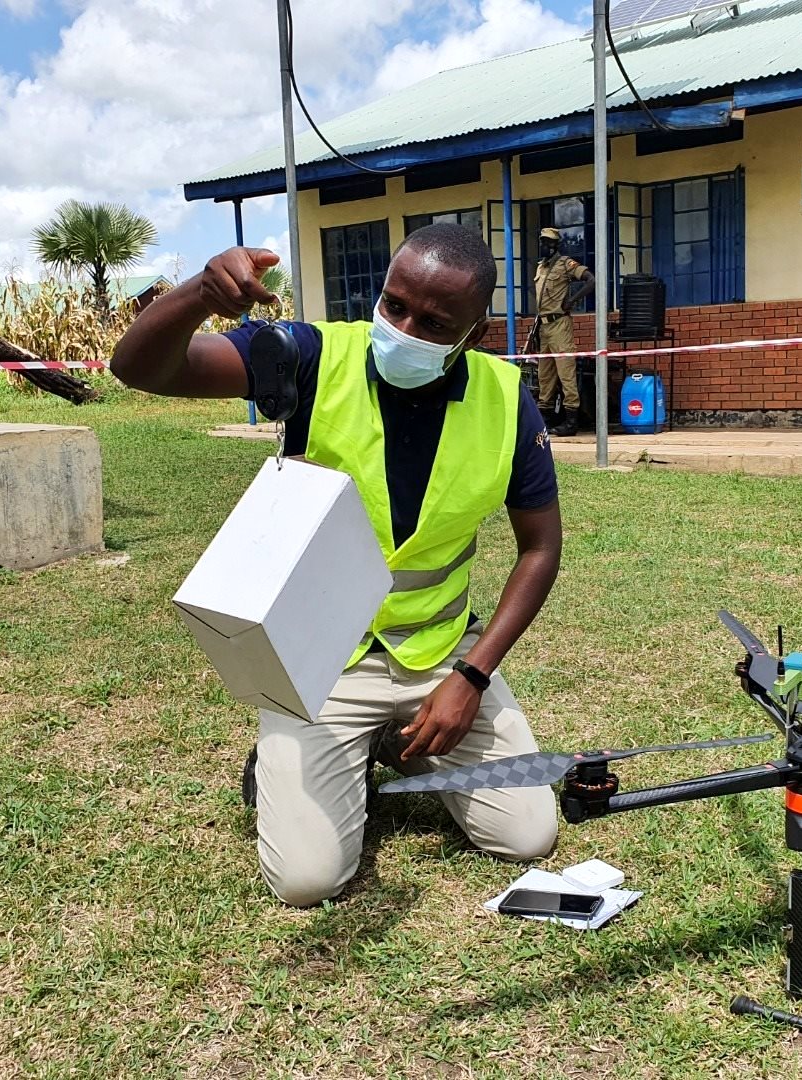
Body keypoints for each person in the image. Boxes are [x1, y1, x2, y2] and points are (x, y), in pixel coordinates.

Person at [111, 224, 562, 906]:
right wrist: (203, 291)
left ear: (474, 335)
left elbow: (540, 548)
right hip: (321, 659)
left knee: (527, 835)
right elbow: (141, 369)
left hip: (442, 656)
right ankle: (286, 757)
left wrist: (472, 675)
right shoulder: (311, 357)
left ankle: (387, 742)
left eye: (436, 323)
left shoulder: (506, 399)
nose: (405, 328)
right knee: (307, 881)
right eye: (394, 304)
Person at [531, 226, 594, 437]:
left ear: (556, 245)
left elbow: (591, 280)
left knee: (566, 373)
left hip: (560, 324)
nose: (544, 246)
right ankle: (544, 421)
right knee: (544, 376)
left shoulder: (565, 263)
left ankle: (571, 422)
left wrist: (573, 301)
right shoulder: (540, 267)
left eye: (548, 242)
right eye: (542, 242)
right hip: (544, 326)